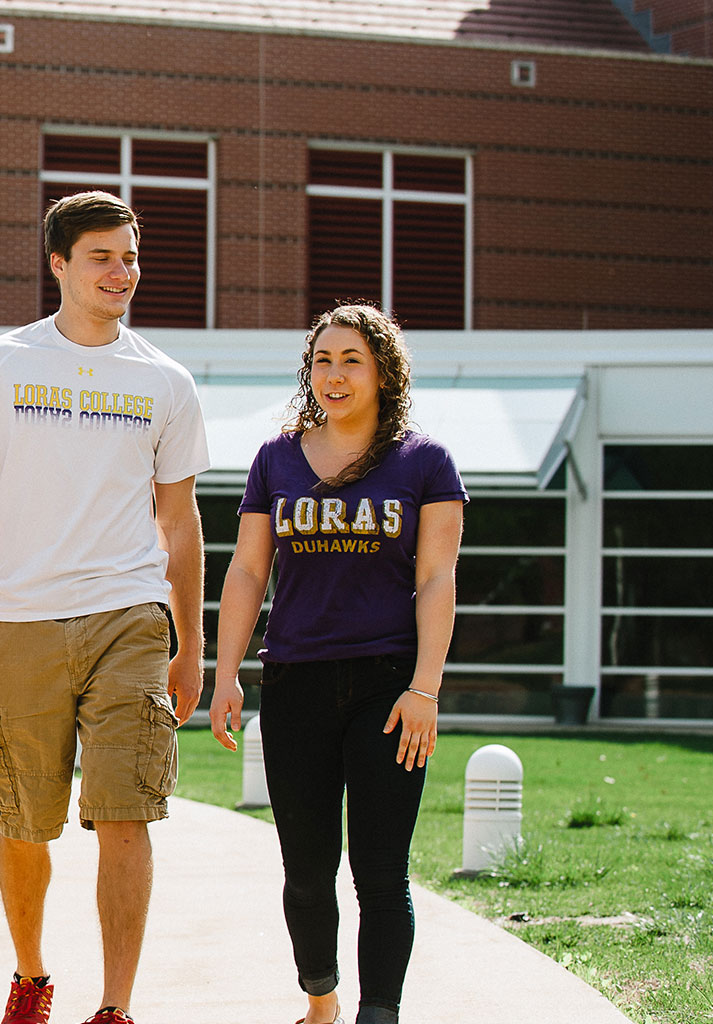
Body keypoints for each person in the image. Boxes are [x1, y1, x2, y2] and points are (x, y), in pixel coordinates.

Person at [0, 191, 209, 1024]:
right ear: (57, 264)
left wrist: (190, 641)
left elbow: (180, 521)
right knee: (26, 821)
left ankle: (116, 1007)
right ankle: (31, 975)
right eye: (101, 256)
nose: (120, 272)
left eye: (130, 257)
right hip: (22, 617)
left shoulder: (164, 380)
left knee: (128, 808)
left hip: (130, 614)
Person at [207, 304, 464, 1024]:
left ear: (383, 371)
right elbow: (249, 572)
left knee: (381, 875)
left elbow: (438, 578)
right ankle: (320, 999)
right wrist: (225, 674)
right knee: (308, 874)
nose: (335, 373)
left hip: (389, 686)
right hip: (295, 683)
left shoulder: (424, 462)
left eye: (352, 359)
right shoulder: (276, 459)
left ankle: (378, 1014)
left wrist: (426, 689)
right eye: (323, 359)